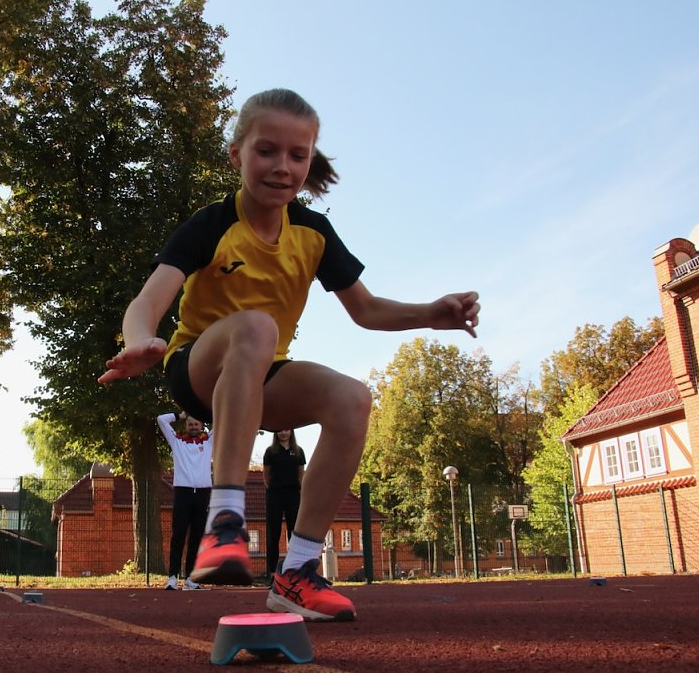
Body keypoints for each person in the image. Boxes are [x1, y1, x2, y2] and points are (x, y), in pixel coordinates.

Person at [99, 88, 480, 622]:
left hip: (261, 376)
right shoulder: (212, 224)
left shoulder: (313, 233)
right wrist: (140, 340)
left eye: (297, 155)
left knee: (352, 398)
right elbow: (147, 302)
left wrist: (432, 313)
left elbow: (367, 310)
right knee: (257, 325)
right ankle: (225, 522)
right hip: (198, 366)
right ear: (237, 155)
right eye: (266, 151)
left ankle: (297, 573)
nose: (282, 166)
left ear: (308, 162)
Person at [156, 410, 214, 590]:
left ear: (202, 426)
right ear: (186, 426)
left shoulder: (209, 441)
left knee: (197, 536)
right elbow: (161, 420)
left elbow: (223, 419)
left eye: (196, 424)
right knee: (179, 534)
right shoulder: (177, 441)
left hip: (203, 494)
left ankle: (190, 578)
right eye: (190, 424)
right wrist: (180, 415)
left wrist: (205, 410)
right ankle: (173, 577)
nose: (193, 427)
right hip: (183, 493)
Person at [262, 429, 306, 577]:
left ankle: (294, 570)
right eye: (280, 430)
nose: (283, 433)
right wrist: (273, 489)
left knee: (294, 532)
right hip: (275, 495)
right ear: (275, 433)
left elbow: (301, 474)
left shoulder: (298, 451)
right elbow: (266, 475)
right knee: (273, 533)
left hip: (293, 494)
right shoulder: (270, 452)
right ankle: (273, 573)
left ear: (291, 432)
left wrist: (299, 490)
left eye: (287, 429)